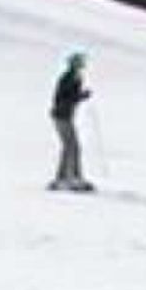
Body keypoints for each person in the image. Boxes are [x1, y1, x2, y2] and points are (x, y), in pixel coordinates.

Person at [49, 48, 92, 192]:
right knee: (73, 146)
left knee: (69, 146)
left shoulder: (73, 78)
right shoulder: (68, 78)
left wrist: (80, 95)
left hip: (63, 115)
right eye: (81, 64)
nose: (83, 66)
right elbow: (66, 98)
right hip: (62, 116)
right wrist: (81, 96)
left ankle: (63, 177)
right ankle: (73, 177)